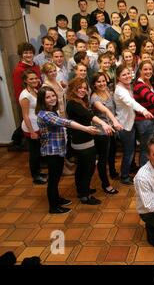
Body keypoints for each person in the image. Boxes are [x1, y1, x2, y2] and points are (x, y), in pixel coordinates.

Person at [36, 86, 99, 214]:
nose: (52, 99)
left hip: (58, 151)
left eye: (53, 96)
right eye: (48, 97)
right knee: (53, 180)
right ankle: (53, 207)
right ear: (42, 100)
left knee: (56, 177)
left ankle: (57, 199)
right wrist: (86, 128)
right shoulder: (45, 115)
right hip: (52, 152)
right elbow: (66, 122)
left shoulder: (51, 111)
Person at [66, 77, 114, 205]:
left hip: (83, 139)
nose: (82, 90)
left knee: (82, 167)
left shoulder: (80, 101)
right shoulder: (73, 103)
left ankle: (82, 190)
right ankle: (85, 196)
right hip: (82, 141)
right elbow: (89, 116)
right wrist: (104, 124)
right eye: (79, 88)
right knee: (88, 168)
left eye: (84, 88)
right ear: (72, 90)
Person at [19, 70, 45, 185]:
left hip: (38, 125)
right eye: (31, 79)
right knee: (34, 153)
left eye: (35, 78)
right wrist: (32, 132)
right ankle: (35, 176)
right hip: (31, 127)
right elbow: (25, 115)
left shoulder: (35, 90)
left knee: (38, 151)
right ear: (25, 81)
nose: (34, 80)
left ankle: (39, 171)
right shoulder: (25, 95)